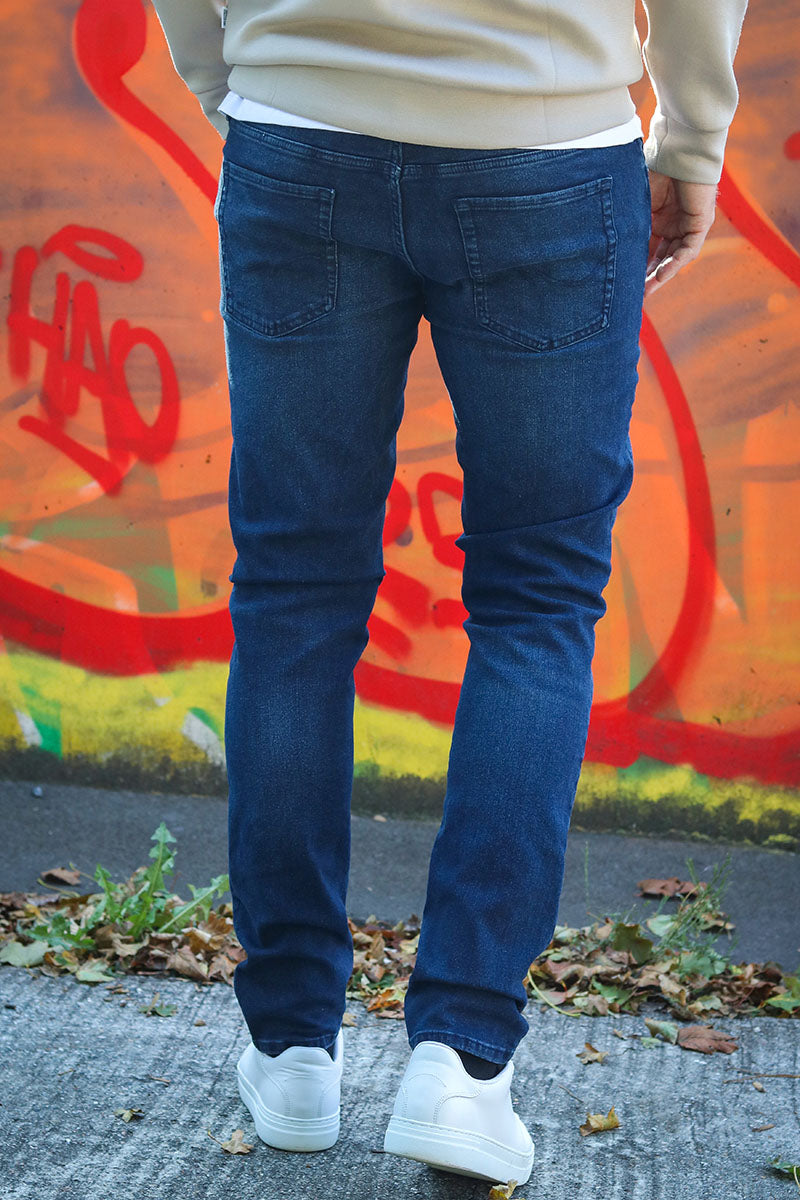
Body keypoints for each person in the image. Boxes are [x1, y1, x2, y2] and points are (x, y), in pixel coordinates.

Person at [152, 0, 749, 1184]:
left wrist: (243, 86)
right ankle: (461, 1066)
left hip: (298, 134)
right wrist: (689, 135)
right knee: (536, 605)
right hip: (546, 147)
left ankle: (290, 1050)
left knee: (292, 593)